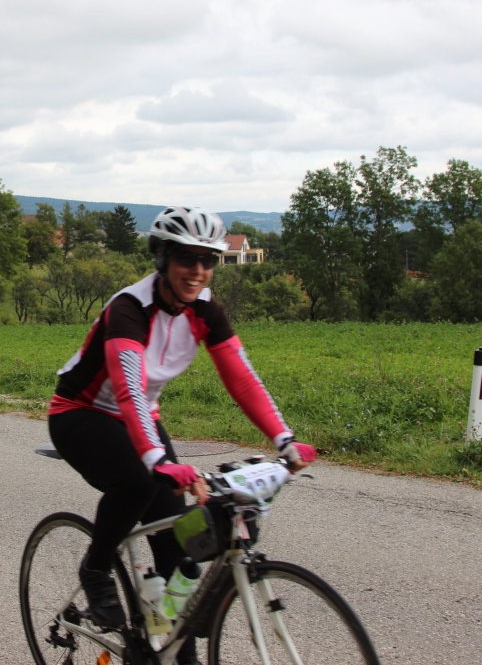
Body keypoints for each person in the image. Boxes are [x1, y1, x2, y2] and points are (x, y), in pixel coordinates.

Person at [48, 206, 315, 663]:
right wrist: (157, 461)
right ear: (163, 258)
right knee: (139, 480)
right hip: (81, 413)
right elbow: (130, 388)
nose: (198, 270)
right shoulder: (130, 309)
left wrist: (283, 439)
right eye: (186, 258)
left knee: (177, 545)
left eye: (207, 260)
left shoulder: (205, 309)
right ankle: (96, 568)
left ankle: (169, 649)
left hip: (139, 418)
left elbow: (242, 379)